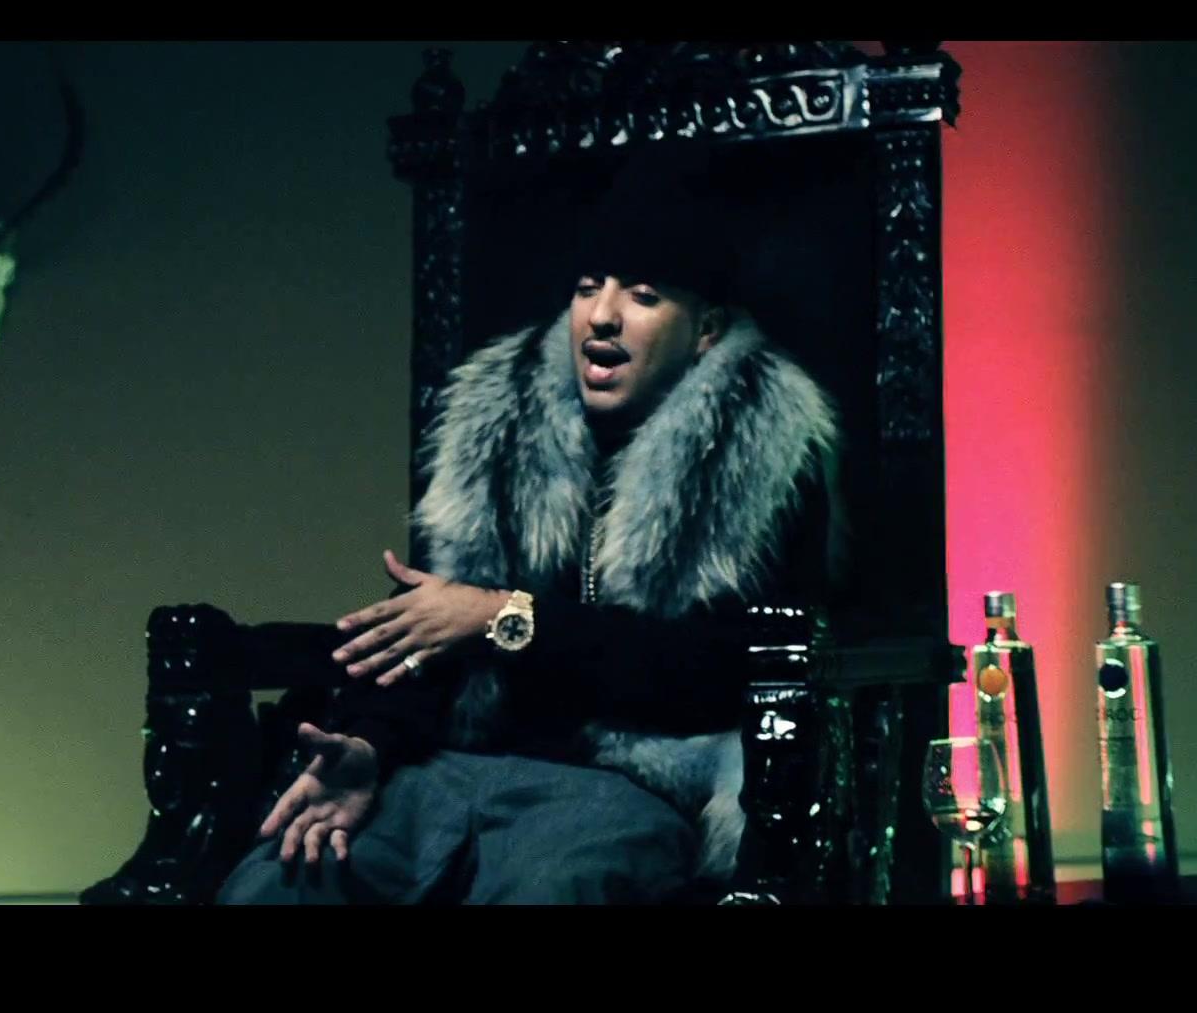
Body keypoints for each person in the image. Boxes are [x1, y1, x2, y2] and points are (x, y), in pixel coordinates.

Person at [217, 158, 841, 904]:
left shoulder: (764, 451)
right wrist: (367, 746)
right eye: (587, 287)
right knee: (281, 882)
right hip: (450, 769)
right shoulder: (498, 423)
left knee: (549, 888)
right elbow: (425, 634)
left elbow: (719, 666)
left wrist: (509, 620)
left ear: (705, 330)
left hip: (628, 789)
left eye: (642, 296)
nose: (602, 316)